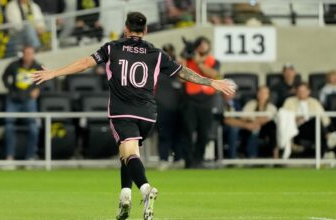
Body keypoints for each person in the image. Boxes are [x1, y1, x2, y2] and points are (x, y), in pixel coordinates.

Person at [31, 12, 235, 220]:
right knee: (128, 154)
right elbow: (183, 72)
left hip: (123, 111)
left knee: (129, 155)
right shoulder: (156, 54)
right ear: (145, 31)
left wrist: (54, 73)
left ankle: (146, 190)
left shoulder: (112, 48)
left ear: (126, 29)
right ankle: (124, 198)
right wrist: (211, 82)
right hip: (148, 115)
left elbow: (85, 63)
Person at [182, 36, 220, 168]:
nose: (203, 47)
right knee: (188, 131)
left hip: (206, 102)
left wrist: (199, 63)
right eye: (201, 45)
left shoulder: (213, 61)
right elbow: (181, 76)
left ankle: (199, 160)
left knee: (204, 133)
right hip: (190, 101)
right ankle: (188, 160)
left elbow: (213, 74)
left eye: (206, 45)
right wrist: (185, 55)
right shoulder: (188, 60)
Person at [2, 45, 41, 162]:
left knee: (34, 127)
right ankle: (9, 157)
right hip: (13, 101)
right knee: (8, 126)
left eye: (31, 53)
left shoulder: (38, 66)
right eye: (26, 53)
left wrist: (38, 89)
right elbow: (4, 77)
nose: (28, 56)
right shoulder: (14, 65)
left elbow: (45, 80)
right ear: (22, 54)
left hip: (29, 101)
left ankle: (30, 157)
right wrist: (11, 90)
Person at [155, 43, 185, 170]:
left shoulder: (178, 72)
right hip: (162, 107)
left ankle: (178, 158)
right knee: (164, 135)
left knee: (178, 135)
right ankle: (163, 159)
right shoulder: (156, 71)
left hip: (178, 108)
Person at [282, 82, 330, 156]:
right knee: (316, 123)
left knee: (316, 121)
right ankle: (326, 152)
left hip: (314, 129)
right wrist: (294, 119)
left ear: (308, 92)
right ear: (296, 92)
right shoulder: (289, 101)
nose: (301, 93)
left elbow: (325, 120)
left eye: (304, 91)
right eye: (299, 91)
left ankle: (322, 153)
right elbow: (283, 119)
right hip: (297, 130)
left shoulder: (314, 102)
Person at [241, 86, 278, 158]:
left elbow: (269, 119)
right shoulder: (250, 104)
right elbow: (244, 117)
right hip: (250, 127)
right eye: (261, 92)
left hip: (265, 129)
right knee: (250, 129)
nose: (262, 95)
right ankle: (251, 157)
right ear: (257, 94)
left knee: (272, 127)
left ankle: (275, 156)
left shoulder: (272, 107)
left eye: (265, 93)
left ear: (268, 95)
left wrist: (257, 122)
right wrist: (255, 122)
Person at [222, 92, 259, 158]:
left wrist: (250, 123)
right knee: (234, 129)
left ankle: (252, 157)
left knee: (254, 128)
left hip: (238, 125)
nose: (230, 93)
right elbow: (226, 120)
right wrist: (246, 125)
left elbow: (241, 117)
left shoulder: (236, 103)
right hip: (224, 128)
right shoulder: (220, 102)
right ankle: (232, 158)